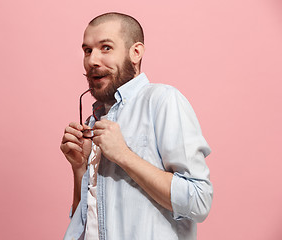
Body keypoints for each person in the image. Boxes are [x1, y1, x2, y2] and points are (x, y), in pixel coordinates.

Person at [60, 12, 213, 240]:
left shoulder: (162, 100)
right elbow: (86, 220)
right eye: (87, 50)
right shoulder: (95, 119)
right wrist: (80, 168)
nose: (92, 60)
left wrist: (123, 155)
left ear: (136, 52)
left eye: (106, 48)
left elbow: (199, 201)